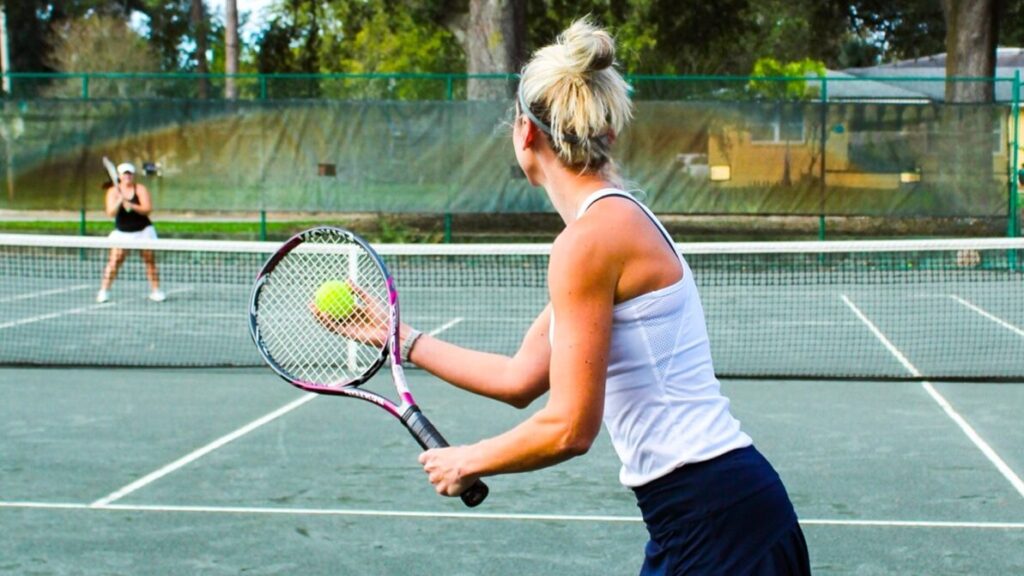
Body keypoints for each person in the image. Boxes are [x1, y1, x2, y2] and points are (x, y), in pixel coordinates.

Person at [320, 18, 810, 575]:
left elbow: (571, 428)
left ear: (525, 135)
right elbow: (521, 378)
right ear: (609, 135)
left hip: (716, 523)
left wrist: (468, 460)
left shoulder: (588, 242)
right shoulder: (611, 223)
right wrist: (396, 337)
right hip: (714, 515)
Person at [96, 162, 166, 303]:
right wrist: (119, 201)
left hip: (143, 230)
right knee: (115, 261)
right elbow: (110, 213)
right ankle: (104, 291)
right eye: (124, 173)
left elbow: (147, 209)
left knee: (149, 260)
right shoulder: (113, 191)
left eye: (129, 173)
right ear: (119, 176)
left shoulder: (140, 189)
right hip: (122, 232)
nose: (127, 176)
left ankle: (156, 291)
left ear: (133, 175)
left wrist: (132, 205)